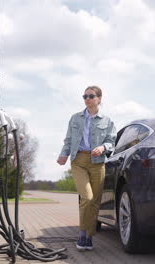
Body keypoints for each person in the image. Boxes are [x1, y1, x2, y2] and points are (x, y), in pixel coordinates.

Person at [57, 86, 116, 251]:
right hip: (79, 160)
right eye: (85, 96)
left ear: (99, 99)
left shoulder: (107, 120)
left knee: (95, 202)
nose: (87, 99)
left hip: (98, 162)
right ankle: (82, 233)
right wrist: (64, 154)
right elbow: (68, 139)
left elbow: (112, 140)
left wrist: (103, 148)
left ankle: (88, 237)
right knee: (87, 198)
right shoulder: (75, 118)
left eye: (91, 96)